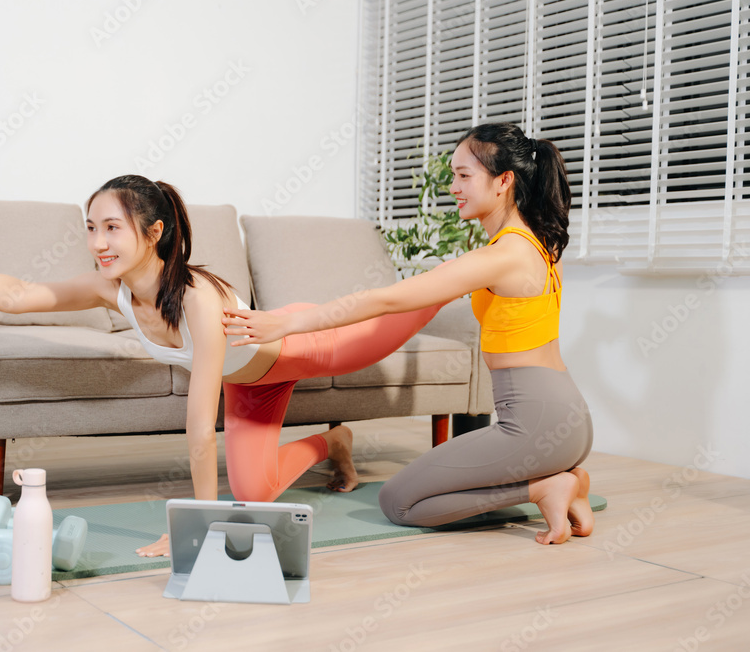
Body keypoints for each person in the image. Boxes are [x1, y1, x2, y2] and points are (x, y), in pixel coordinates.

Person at [0, 174, 445, 557]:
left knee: (411, 307)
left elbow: (199, 429)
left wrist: (198, 527)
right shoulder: (110, 289)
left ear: (153, 232)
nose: (98, 242)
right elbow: (15, 293)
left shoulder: (197, 299)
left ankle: (467, 274)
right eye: (91, 227)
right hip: (252, 388)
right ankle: (333, 442)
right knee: (255, 494)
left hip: (304, 345)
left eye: (113, 228)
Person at [223, 122, 594, 545]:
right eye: (453, 175)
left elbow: (386, 300)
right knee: (429, 489)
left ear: (504, 181)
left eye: (464, 175)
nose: (453, 187)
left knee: (399, 502)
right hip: (568, 418)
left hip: (534, 423)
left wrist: (286, 323)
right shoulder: (541, 244)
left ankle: (546, 487)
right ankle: (560, 479)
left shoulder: (502, 255)